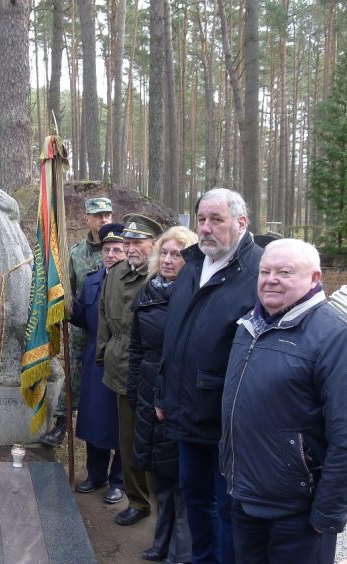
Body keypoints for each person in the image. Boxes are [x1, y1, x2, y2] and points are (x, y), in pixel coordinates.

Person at [220, 239, 347, 564]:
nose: (271, 278)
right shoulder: (249, 326)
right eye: (265, 271)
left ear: (315, 278)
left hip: (297, 514)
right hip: (245, 498)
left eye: (285, 272)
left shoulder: (337, 336)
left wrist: (327, 515)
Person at [156, 188, 263, 564]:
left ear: (241, 223)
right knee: (195, 498)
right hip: (184, 412)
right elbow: (174, 336)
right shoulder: (193, 265)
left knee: (229, 511)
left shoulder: (257, 273)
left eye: (216, 220)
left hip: (226, 420)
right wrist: (161, 394)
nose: (206, 228)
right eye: (201, 219)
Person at [128, 226, 198, 563]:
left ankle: (179, 553)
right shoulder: (148, 291)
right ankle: (160, 541)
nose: (169, 260)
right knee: (158, 475)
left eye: (178, 254)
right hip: (147, 388)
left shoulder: (196, 294)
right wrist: (133, 391)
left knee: (182, 480)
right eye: (165, 253)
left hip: (176, 393)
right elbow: (137, 346)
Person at [97, 212, 162, 527]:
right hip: (120, 367)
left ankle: (165, 507)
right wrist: (102, 355)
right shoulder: (116, 273)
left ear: (153, 244)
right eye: (128, 242)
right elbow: (103, 318)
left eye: (138, 242)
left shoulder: (163, 275)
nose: (131, 247)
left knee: (157, 442)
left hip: (155, 371)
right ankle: (138, 501)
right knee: (128, 439)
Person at [41, 197, 113, 447]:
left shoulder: (117, 249)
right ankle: (61, 425)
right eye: (99, 215)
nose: (104, 219)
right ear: (87, 220)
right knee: (72, 379)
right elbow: (67, 290)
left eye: (108, 215)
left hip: (113, 332)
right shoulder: (77, 253)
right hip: (84, 329)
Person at [71, 222, 126, 504]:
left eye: (118, 249)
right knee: (94, 418)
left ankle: (119, 480)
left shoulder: (133, 283)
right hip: (94, 358)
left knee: (119, 422)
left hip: (122, 359)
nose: (111, 254)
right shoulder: (92, 280)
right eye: (107, 249)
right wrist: (67, 306)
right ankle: (95, 475)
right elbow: (84, 318)